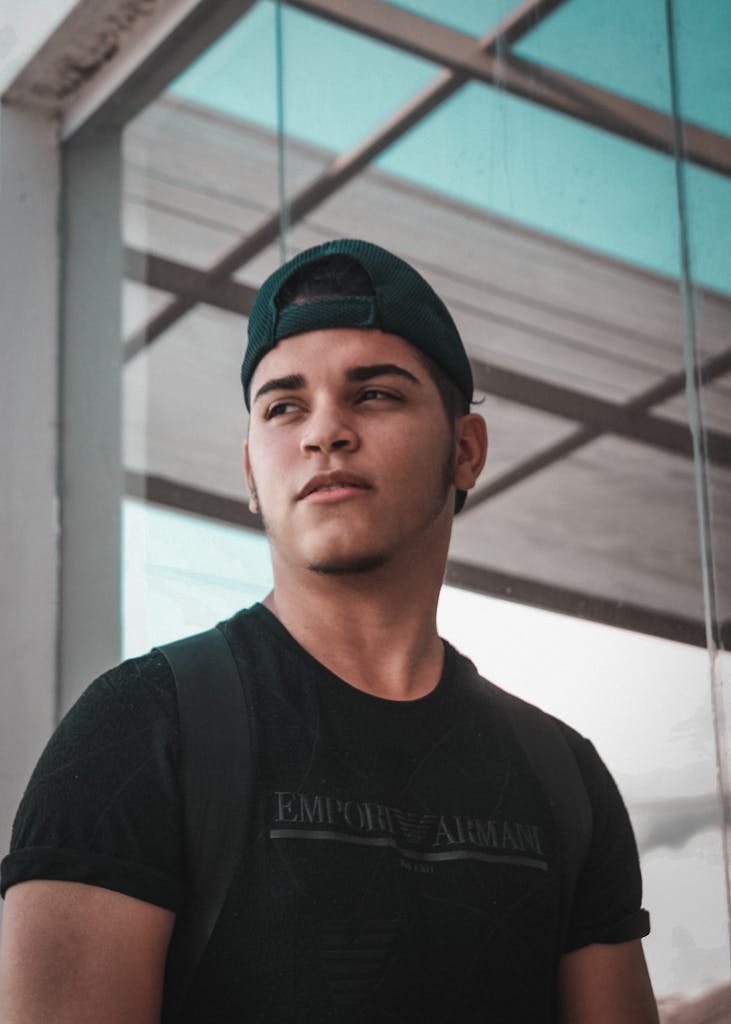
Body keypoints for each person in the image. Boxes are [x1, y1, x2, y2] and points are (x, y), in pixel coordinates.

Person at [0, 239, 658, 1022]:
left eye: (375, 394)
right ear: (251, 473)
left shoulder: (564, 780)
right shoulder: (140, 729)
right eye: (284, 406)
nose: (324, 433)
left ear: (466, 451)